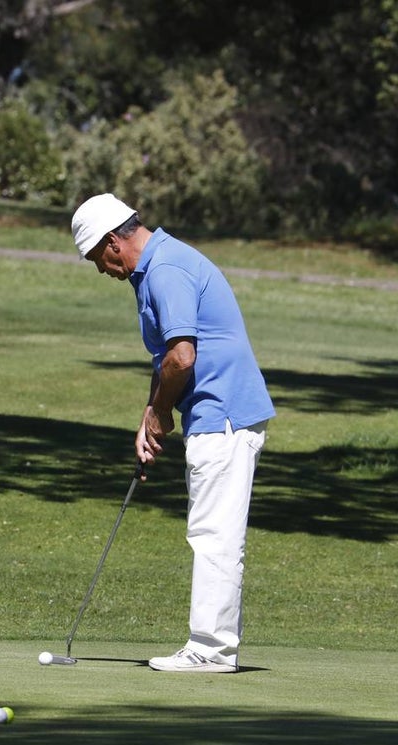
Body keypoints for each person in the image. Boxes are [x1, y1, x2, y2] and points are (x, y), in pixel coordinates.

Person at [71, 193, 276, 673]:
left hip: (223, 414)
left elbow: (184, 358)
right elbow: (167, 357)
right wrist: (151, 414)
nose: (100, 270)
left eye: (96, 259)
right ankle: (211, 647)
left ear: (112, 243)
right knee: (210, 532)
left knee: (214, 536)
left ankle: (211, 649)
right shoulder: (158, 266)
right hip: (217, 413)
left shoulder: (164, 270)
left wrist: (162, 414)